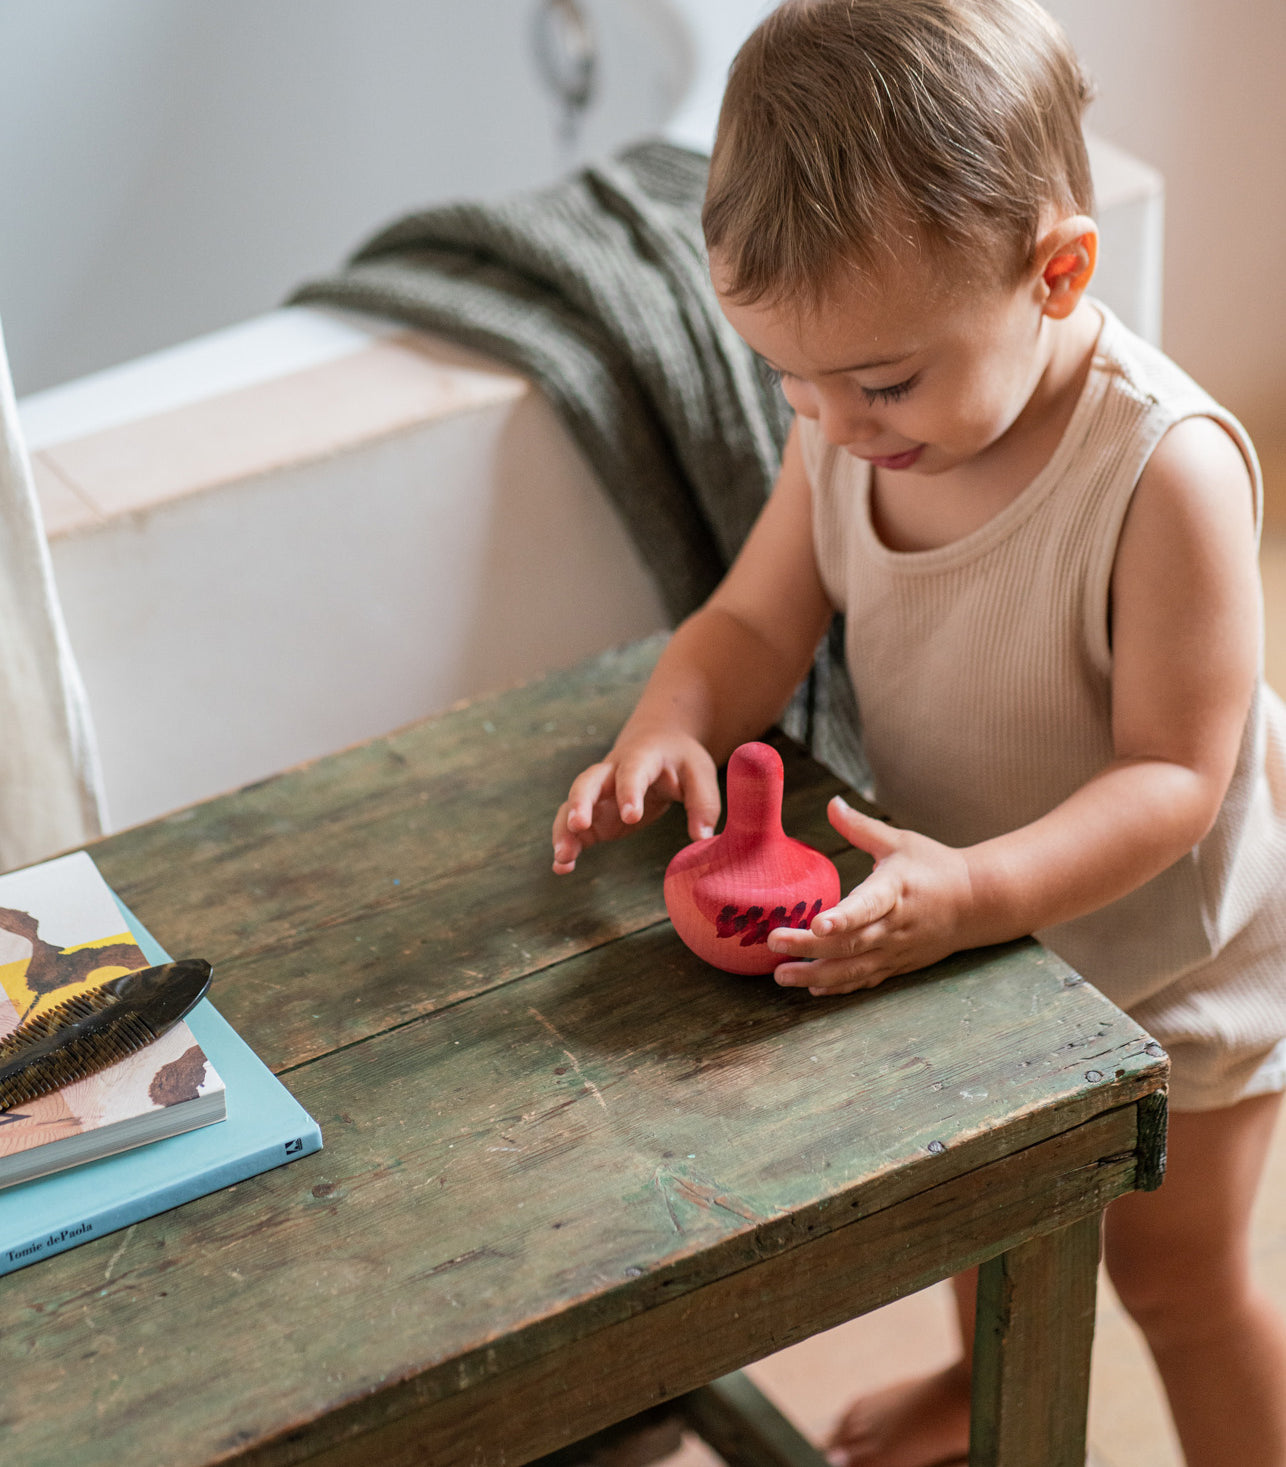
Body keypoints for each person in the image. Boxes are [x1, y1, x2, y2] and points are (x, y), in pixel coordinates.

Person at [548, 1, 1286, 1463]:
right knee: (985, 1200)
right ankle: (974, 1392)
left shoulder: (1161, 474)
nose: (831, 422)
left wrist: (974, 893)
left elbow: (1172, 782)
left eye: (881, 380)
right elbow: (755, 623)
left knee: (1171, 1277)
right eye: (788, 380)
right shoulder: (848, 426)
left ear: (1056, 273)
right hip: (969, 916)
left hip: (1177, 950)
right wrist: (670, 722)